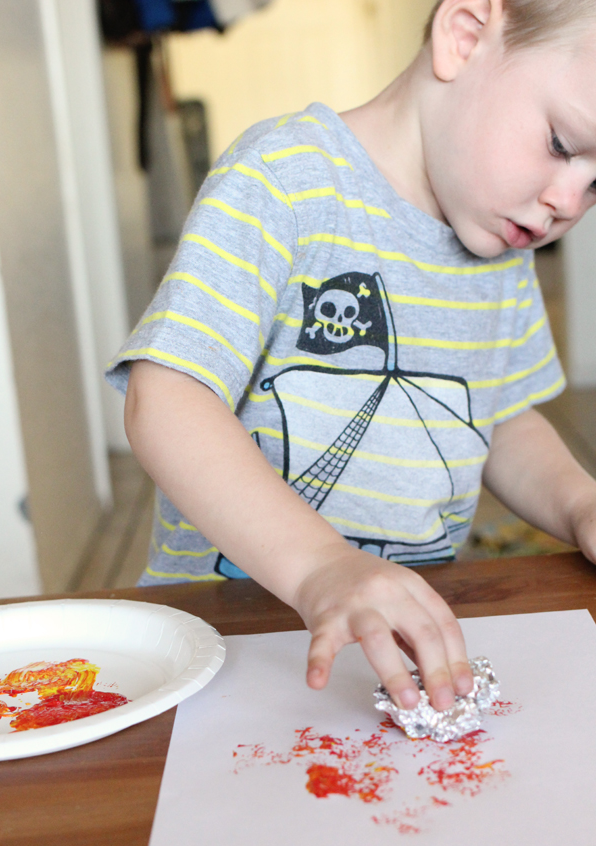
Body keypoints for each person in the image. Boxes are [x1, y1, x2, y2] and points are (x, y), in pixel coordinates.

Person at [107, 0, 596, 715]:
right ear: (463, 37)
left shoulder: (501, 236)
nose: (566, 202)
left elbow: (499, 418)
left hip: (394, 650)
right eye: (560, 143)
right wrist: (322, 567)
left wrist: (582, 502)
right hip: (235, 643)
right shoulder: (283, 181)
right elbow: (167, 400)